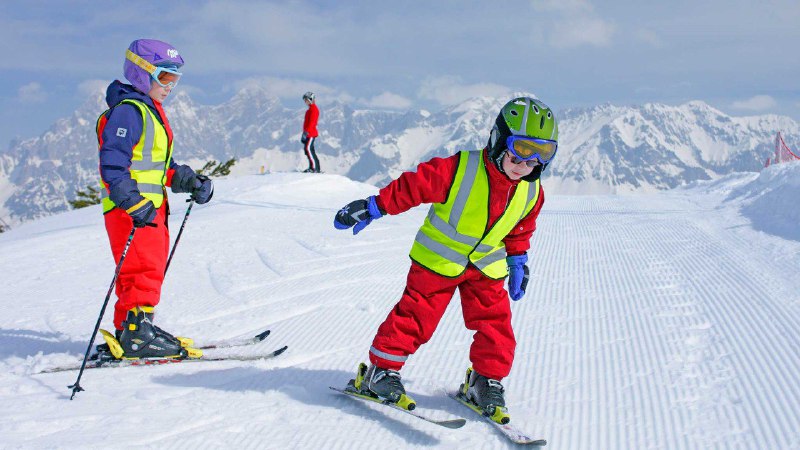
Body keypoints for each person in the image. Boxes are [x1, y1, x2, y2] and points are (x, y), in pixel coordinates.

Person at [333, 97, 558, 422]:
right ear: (498, 140)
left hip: (486, 266)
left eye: (542, 154)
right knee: (415, 317)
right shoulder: (460, 169)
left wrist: (518, 259)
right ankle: (380, 372)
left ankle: (484, 381)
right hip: (437, 261)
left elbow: (521, 227)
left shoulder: (531, 191)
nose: (528, 164)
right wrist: (374, 206)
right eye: (521, 150)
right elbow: (413, 187)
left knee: (496, 326)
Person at [95, 39, 213, 359]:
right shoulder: (129, 113)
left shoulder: (150, 111)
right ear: (141, 73)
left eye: (175, 79)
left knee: (148, 268)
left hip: (149, 206)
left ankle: (134, 327)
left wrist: (189, 181)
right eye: (165, 77)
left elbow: (161, 167)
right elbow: (113, 164)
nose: (171, 86)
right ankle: (136, 335)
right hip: (131, 208)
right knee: (142, 267)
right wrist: (131, 202)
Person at [301, 91, 321, 173]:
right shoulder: (309, 110)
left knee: (308, 149)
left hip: (311, 133)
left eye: (306, 100)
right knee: (309, 150)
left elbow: (312, 123)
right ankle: (314, 167)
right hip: (308, 133)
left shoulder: (314, 109)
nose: (305, 102)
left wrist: (306, 133)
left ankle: (314, 168)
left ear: (310, 99)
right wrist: (304, 133)